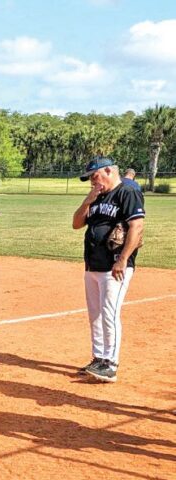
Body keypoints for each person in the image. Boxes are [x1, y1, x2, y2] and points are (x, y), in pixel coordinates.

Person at [73, 156, 145, 383]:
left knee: (109, 313)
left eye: (95, 177)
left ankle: (111, 364)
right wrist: (87, 200)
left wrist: (123, 259)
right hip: (93, 263)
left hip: (114, 266)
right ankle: (99, 358)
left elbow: (136, 226)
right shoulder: (96, 196)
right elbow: (76, 224)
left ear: (108, 171)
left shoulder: (127, 193)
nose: (93, 182)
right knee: (95, 314)